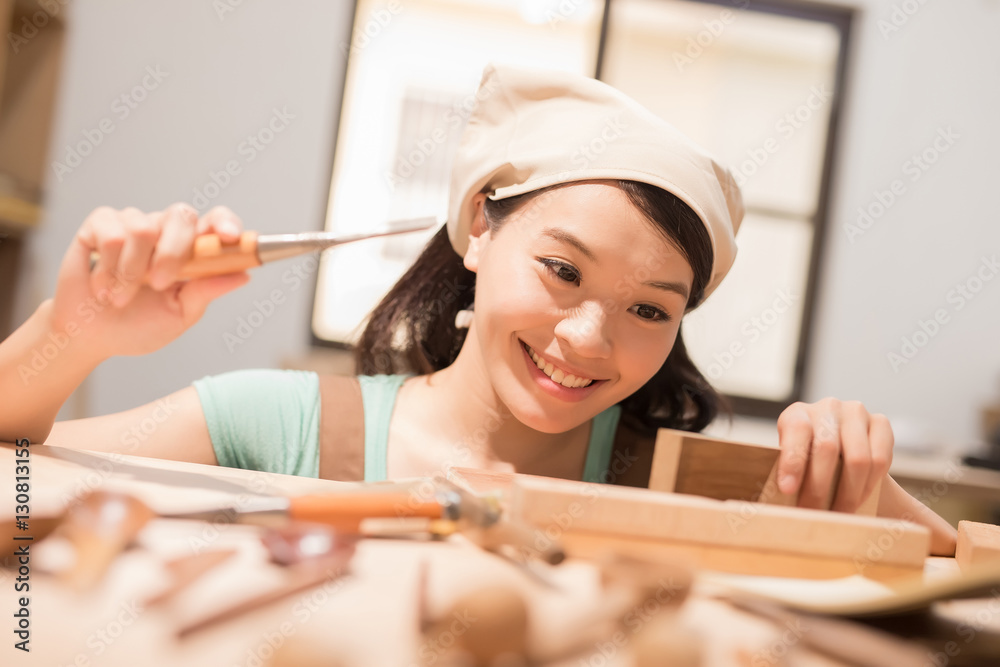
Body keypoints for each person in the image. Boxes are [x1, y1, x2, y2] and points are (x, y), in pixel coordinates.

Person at [0, 64, 955, 553]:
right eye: (562, 271)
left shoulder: (666, 481)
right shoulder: (276, 423)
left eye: (651, 310)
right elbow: (15, 491)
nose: (588, 338)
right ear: (477, 229)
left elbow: (953, 574)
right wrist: (73, 333)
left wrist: (864, 482)